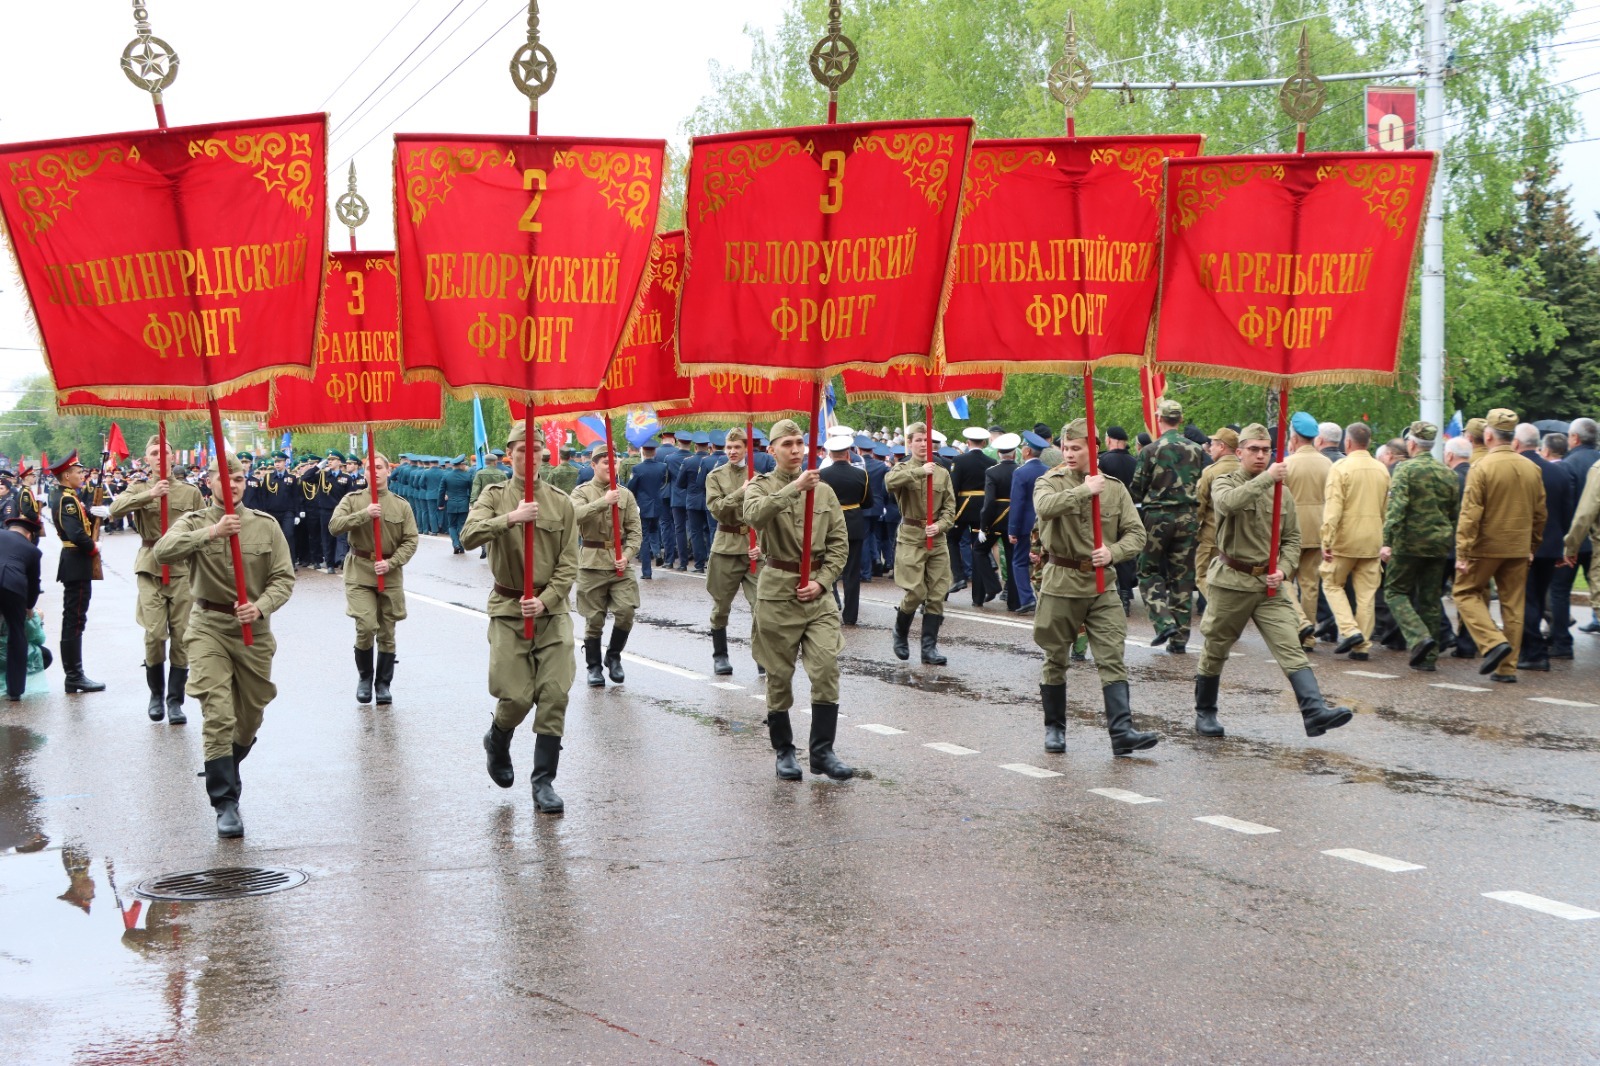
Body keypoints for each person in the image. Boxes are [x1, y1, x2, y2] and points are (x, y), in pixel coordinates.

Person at [153, 453, 296, 837]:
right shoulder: (196, 521)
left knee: (249, 718)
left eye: (238, 478)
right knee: (218, 712)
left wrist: (261, 607)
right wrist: (212, 534)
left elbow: (284, 578)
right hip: (207, 627)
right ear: (210, 482)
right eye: (224, 478)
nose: (232, 485)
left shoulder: (266, 527)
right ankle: (225, 801)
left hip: (253, 631)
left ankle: (226, 765)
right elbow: (162, 552)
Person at [1194, 424, 1353, 739]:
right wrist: (1269, 477)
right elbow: (1227, 504)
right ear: (1239, 452)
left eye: (1266, 450)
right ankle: (1205, 712)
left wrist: (1284, 568)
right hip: (1232, 582)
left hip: (1269, 586)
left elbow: (1293, 538)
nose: (1260, 455)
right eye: (1253, 449)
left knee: (1291, 647)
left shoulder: (1283, 491)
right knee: (1216, 648)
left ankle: (1314, 712)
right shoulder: (1226, 480)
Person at [462, 424, 579, 813]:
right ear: (509, 454)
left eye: (537, 451)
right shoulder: (494, 496)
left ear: (545, 455)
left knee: (554, 694)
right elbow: (469, 536)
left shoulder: (562, 502)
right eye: (521, 451)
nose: (530, 457)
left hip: (552, 610)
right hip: (509, 609)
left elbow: (569, 562)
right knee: (515, 696)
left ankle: (543, 782)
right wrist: (510, 518)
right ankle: (498, 737)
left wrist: (546, 600)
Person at [1032, 418, 1156, 757]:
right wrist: (1086, 490)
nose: (1069, 454)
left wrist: (1113, 552)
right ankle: (1055, 729)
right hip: (1061, 582)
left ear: (1093, 448)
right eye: (1066, 448)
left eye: (1077, 448)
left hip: (1103, 585)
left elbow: (1136, 533)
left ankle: (1122, 732)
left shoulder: (1115, 488)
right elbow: (1044, 508)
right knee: (1056, 657)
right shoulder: (1050, 482)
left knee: (1112, 657)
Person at [743, 418, 852, 781]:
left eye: (799, 443)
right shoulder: (759, 487)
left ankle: (822, 752)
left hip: (818, 596)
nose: (794, 449)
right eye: (786, 443)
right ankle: (785, 751)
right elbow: (754, 515)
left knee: (825, 669)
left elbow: (839, 543)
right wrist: (794, 489)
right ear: (771, 449)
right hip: (778, 592)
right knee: (779, 675)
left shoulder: (824, 491)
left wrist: (822, 582)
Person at [109, 434, 206, 722]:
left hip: (181, 569)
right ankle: (155, 695)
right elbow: (115, 509)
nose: (160, 458)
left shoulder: (190, 493)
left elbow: (204, 527)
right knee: (154, 633)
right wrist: (148, 496)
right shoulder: (138, 486)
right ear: (147, 459)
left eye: (165, 453)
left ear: (173, 458)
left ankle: (175, 700)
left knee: (181, 635)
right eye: (154, 453)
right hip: (150, 566)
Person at [1453, 409, 1547, 683]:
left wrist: (1463, 551)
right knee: (1513, 606)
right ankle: (1507, 668)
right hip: (1518, 547)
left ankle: (1493, 642)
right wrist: (1532, 545)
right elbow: (1541, 513)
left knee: (1464, 592)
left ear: (1489, 435)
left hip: (1485, 547)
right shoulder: (1532, 467)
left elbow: (1470, 514)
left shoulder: (1481, 467)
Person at [327, 454, 417, 704]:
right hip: (360, 571)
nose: (374, 472)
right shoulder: (353, 499)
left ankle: (383, 684)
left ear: (388, 472)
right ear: (364, 474)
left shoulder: (401, 505)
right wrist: (364, 514)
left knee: (387, 631)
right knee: (366, 626)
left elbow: (411, 540)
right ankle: (365, 677)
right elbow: (334, 526)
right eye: (370, 468)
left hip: (389, 572)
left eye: (379, 467)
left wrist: (392, 562)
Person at [1380, 422, 1460, 672]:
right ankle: (1428, 658)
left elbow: (1397, 509)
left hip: (1408, 543)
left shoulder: (1405, 469)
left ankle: (1418, 637)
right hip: (1438, 543)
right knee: (1430, 600)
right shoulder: (1448, 472)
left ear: (1412, 444)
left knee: (1394, 592)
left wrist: (1387, 541)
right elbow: (1453, 512)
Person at [1131, 398, 1205, 653]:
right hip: (1188, 516)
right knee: (1182, 577)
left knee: (1147, 569)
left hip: (1157, 517)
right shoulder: (1197, 449)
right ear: (1180, 419)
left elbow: (1138, 488)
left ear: (1159, 419)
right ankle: (1179, 639)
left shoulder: (1150, 450)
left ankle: (1163, 621)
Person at [885, 422, 957, 665]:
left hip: (936, 538)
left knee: (937, 594)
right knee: (916, 592)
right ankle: (900, 631)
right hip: (911, 537)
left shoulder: (942, 472)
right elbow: (889, 482)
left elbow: (950, 507)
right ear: (909, 443)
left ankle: (929, 649)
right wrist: (919, 472)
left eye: (927, 441)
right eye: (918, 440)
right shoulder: (902, 468)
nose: (924, 445)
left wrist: (941, 525)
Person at [571, 450, 642, 688]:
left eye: (615, 463)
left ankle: (613, 656)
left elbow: (635, 531)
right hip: (591, 562)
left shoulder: (627, 495)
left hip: (619, 562)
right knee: (594, 618)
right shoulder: (582, 492)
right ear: (593, 465)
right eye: (605, 463)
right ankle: (593, 667)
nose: (611, 467)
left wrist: (628, 554)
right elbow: (575, 516)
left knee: (626, 611)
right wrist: (604, 502)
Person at [1321, 423, 1390, 661]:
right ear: (1369, 442)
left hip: (1345, 539)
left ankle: (1350, 630)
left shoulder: (1341, 468)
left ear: (1347, 443)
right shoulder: (1382, 469)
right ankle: (1362, 646)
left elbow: (1333, 508)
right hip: (1372, 539)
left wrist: (1326, 539)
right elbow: (1385, 509)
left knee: (1331, 583)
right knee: (1366, 594)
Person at [1513, 425, 1575, 671]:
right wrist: (1564, 548)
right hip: (1550, 547)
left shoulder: (1518, 471)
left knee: (1526, 599)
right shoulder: (1558, 472)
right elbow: (1567, 513)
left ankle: (1534, 652)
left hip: (1523, 545)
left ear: (1516, 444)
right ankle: (1533, 649)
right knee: (1537, 597)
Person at [704, 427, 764, 676]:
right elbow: (717, 509)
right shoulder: (715, 476)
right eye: (728, 447)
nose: (731, 451)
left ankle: (763, 656)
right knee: (721, 605)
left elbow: (765, 515)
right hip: (726, 546)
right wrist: (742, 492)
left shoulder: (760, 478)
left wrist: (761, 544)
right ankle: (720, 656)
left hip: (753, 549)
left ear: (746, 449)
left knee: (761, 604)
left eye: (737, 447)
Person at [49, 452, 105, 693]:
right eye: (78, 472)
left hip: (75, 562)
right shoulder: (67, 500)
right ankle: (74, 675)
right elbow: (75, 533)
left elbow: (81, 524)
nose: (82, 475)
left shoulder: (69, 496)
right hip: (77, 561)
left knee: (75, 618)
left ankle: (74, 673)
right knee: (74, 620)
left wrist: (95, 515)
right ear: (66, 475)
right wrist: (93, 546)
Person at [1283, 412, 1332, 648]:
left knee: (1283, 580)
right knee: (1310, 584)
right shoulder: (1328, 463)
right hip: (1319, 529)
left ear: (1294, 437)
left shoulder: (1287, 464)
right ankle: (1309, 638)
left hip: (1290, 531)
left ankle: (1302, 623)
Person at [818, 428, 874, 625]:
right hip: (853, 524)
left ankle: (831, 607)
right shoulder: (861, 475)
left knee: (828, 567)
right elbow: (868, 502)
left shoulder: (822, 474)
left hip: (828, 526)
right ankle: (850, 616)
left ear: (830, 454)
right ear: (848, 452)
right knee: (852, 572)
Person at [1193, 427, 1241, 603]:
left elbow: (1199, 505)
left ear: (1222, 446)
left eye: (1212, 444)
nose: (1210, 447)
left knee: (1203, 575)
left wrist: (1195, 530)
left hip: (1212, 535)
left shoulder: (1211, 472)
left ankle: (1220, 609)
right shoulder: (1247, 470)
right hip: (1240, 537)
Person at [952, 427, 998, 605]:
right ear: (984, 443)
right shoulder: (991, 461)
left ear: (968, 443)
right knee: (978, 548)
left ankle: (958, 575)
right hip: (983, 509)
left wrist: (952, 509)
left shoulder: (959, 460)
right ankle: (978, 598)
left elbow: (954, 487)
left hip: (963, 508)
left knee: (951, 539)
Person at [0, 513, 43, 701]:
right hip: (13, 586)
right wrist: (29, 606)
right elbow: (34, 583)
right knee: (17, 634)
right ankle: (15, 690)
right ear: (29, 536)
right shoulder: (33, 550)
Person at [1008, 432, 1050, 615]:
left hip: (1026, 525)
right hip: (1047, 522)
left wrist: (1012, 529)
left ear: (1026, 451)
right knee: (1047, 559)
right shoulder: (1049, 471)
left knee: (1019, 562)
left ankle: (1027, 598)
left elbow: (1017, 503)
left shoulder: (1020, 472)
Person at [1098, 426, 1138, 612]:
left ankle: (1114, 592)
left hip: (1109, 512)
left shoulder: (1104, 460)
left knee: (1110, 550)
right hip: (1131, 510)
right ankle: (1126, 595)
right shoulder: (1134, 461)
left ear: (1110, 440)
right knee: (1126, 553)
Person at [981, 433, 1021, 611]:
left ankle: (993, 585)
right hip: (1017, 519)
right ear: (1013, 454)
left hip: (997, 521)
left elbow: (989, 502)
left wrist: (984, 526)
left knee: (979, 550)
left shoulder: (992, 471)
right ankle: (1014, 601)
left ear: (999, 453)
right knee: (1014, 558)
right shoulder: (1020, 470)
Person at [626, 440, 667, 580]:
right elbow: (664, 483)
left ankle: (647, 572)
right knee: (655, 531)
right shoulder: (662, 467)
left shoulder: (637, 469)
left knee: (644, 538)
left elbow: (631, 487)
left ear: (642, 452)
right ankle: (657, 553)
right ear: (654, 452)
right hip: (657, 504)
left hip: (643, 506)